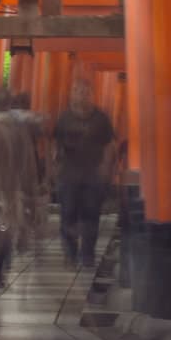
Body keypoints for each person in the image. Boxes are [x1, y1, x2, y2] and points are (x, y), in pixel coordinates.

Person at [52, 79, 117, 268]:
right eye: (77, 91)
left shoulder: (101, 119)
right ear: (71, 94)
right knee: (67, 215)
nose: (81, 95)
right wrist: (53, 167)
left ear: (91, 95)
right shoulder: (64, 118)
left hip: (92, 177)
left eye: (85, 91)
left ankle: (87, 255)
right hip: (68, 176)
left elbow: (109, 145)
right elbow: (55, 144)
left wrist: (106, 167)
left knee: (91, 216)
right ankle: (70, 253)